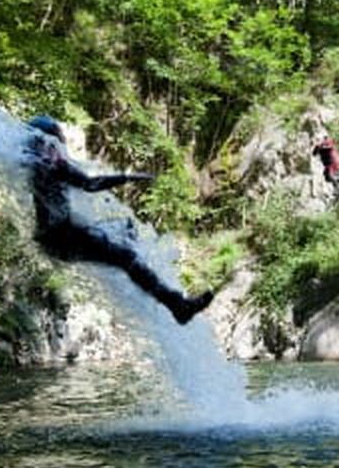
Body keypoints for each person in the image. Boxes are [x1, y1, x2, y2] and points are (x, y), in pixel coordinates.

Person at [23, 115, 213, 325]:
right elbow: (90, 184)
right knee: (126, 256)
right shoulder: (47, 164)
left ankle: (168, 297)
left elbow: (86, 184)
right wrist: (127, 178)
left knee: (125, 231)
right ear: (46, 142)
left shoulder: (39, 163)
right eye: (55, 142)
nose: (58, 148)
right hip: (61, 239)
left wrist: (125, 178)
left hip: (61, 237)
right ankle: (177, 305)